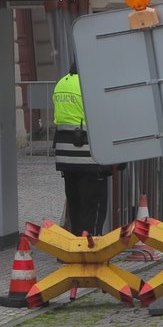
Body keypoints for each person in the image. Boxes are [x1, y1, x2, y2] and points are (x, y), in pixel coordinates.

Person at [52, 63, 112, 235]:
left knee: (75, 203)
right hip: (88, 156)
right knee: (93, 204)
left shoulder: (61, 83)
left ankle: (76, 242)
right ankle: (90, 245)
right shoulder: (89, 84)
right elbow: (102, 117)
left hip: (65, 157)